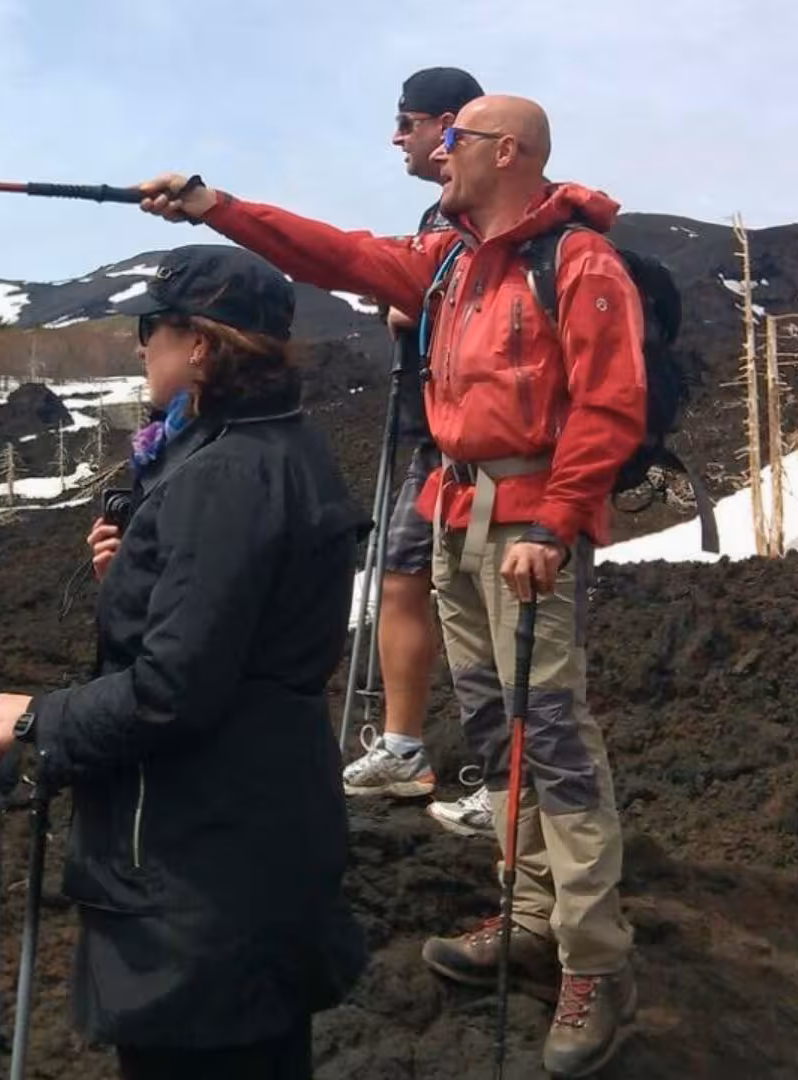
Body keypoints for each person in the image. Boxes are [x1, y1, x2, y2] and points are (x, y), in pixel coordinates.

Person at [133, 94, 641, 1077]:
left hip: (526, 529)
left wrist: (553, 519)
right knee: (499, 730)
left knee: (558, 738)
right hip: (458, 520)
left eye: (452, 140)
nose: (437, 154)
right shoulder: (446, 256)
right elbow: (333, 254)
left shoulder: (579, 262)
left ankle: (596, 958)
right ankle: (532, 915)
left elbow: (611, 403)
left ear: (507, 152)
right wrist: (215, 206)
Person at [0, 243, 369, 1080]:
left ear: (202, 345)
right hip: (262, 839)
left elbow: (174, 689)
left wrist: (37, 716)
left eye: (152, 328)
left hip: (201, 874)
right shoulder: (278, 444)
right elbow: (244, 617)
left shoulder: (220, 477)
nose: (140, 345)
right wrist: (142, 571)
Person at [340, 66, 502, 843]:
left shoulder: (479, 220)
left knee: (479, 602)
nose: (396, 136)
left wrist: (409, 310)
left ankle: (508, 785)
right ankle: (410, 751)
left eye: (406, 121)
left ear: (447, 123)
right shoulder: (446, 218)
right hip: (431, 435)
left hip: (465, 442)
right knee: (407, 578)